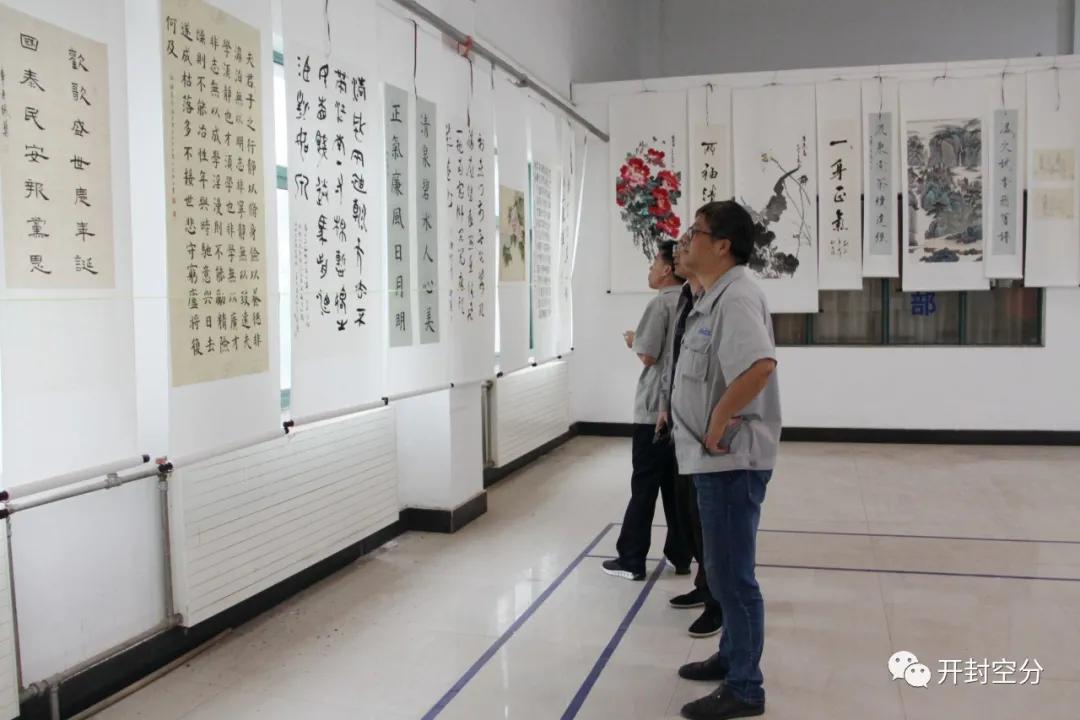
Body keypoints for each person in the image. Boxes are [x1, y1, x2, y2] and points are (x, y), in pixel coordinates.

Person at [670, 201, 781, 720]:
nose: (686, 239)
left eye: (695, 232)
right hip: (712, 460)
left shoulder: (735, 297)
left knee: (733, 578)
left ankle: (745, 687)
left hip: (730, 460)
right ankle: (732, 656)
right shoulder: (712, 296)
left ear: (722, 245)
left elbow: (759, 367)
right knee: (722, 571)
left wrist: (716, 421)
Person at [603, 240, 692, 581]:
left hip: (654, 407)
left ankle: (631, 558)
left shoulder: (660, 303)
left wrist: (634, 339)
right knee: (675, 485)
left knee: (644, 484)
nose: (650, 270)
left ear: (668, 269)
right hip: (680, 406)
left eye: (654, 264)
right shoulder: (691, 299)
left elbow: (649, 355)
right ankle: (681, 555)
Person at [657, 239, 723, 639]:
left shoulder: (725, 299)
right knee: (688, 512)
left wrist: (718, 423)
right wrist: (665, 405)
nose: (679, 252)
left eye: (688, 242)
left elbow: (756, 368)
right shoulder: (687, 297)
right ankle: (704, 584)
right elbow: (677, 359)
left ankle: (719, 602)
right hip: (682, 425)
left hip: (707, 431)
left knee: (710, 521)